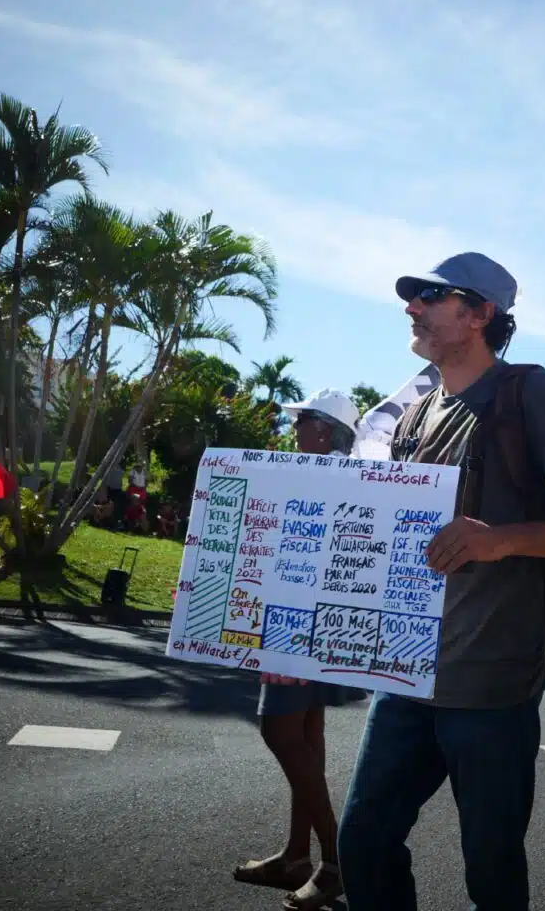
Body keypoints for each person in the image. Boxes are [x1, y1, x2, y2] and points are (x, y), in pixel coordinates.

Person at [336, 252, 545, 911]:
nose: (412, 307)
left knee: (491, 870)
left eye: (431, 297)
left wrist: (501, 540)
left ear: (478, 315)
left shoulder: (528, 393)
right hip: (408, 678)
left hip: (493, 685)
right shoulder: (414, 416)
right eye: (414, 298)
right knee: (362, 843)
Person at [233, 387, 367, 911]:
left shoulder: (316, 477)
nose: (295, 429)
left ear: (323, 430)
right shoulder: (340, 474)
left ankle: (335, 860)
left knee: (281, 731)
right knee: (307, 736)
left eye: (303, 420)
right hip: (317, 624)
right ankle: (295, 855)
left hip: (295, 625)